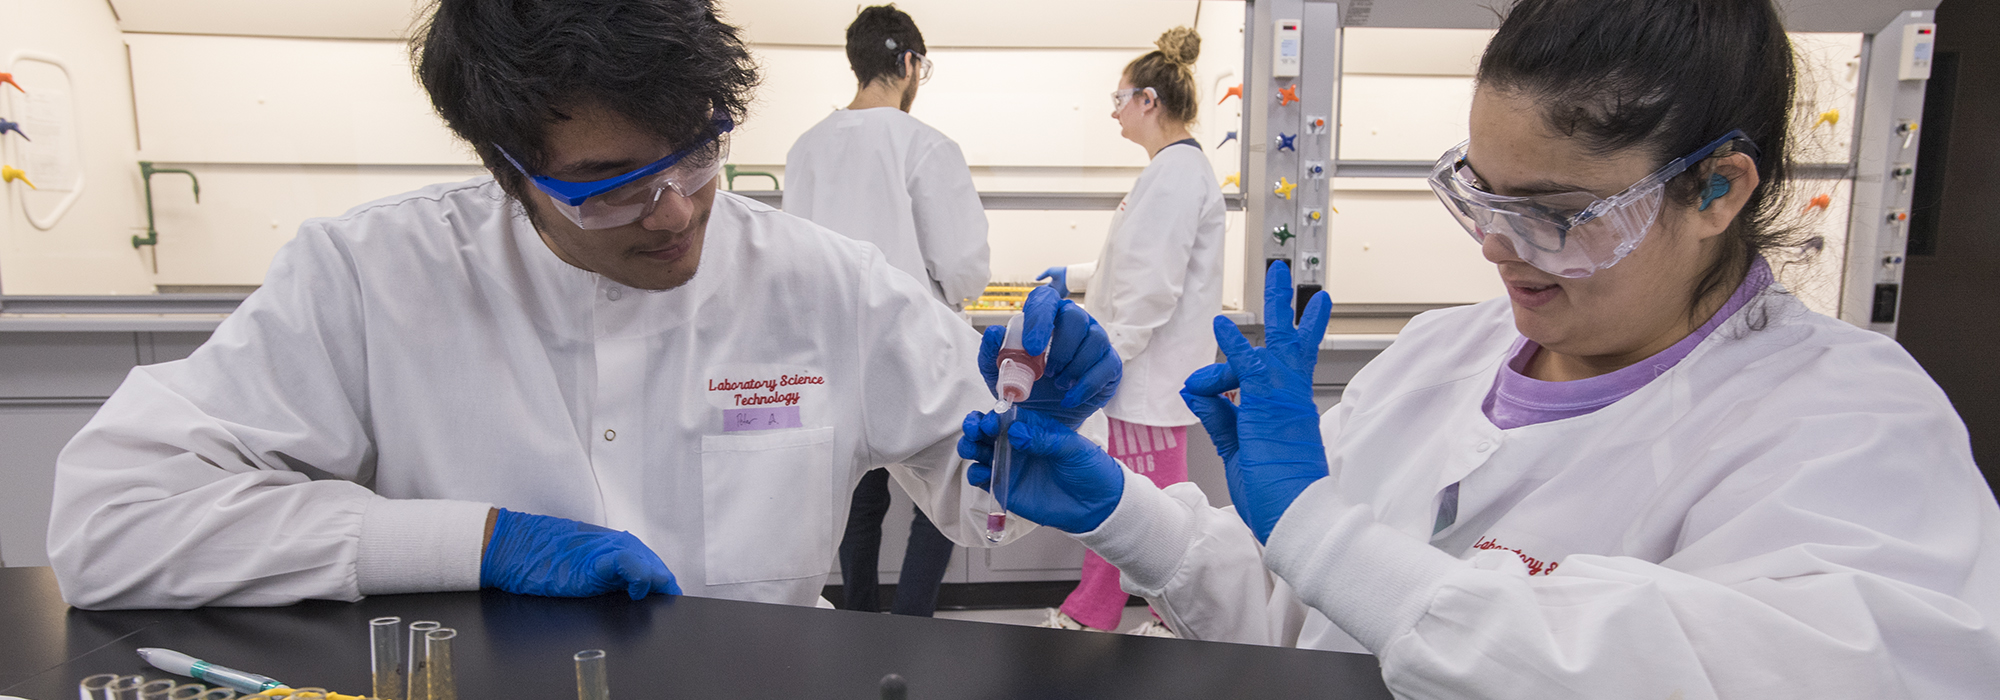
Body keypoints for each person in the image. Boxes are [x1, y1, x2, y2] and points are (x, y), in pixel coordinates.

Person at [962, 0, 2000, 695]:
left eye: (1553, 209)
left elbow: (1717, 670)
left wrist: (1324, 533)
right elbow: (1308, 615)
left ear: (1715, 189)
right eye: (1480, 194)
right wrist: (1122, 511)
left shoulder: (1852, 425)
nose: (1499, 247)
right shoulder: (1439, 354)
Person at [45, 0, 1118, 611]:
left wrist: (1031, 442)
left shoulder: (823, 282)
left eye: (697, 156)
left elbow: (986, 502)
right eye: (608, 184)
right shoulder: (370, 278)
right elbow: (109, 526)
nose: (673, 211)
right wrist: (470, 541)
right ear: (507, 170)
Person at [783, 5, 989, 617]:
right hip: (914, 350)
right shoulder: (924, 143)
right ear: (909, 64)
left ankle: (861, 620)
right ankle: (913, 620)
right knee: (942, 493)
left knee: (857, 495)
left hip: (830, 351)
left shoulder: (805, 148)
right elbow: (963, 265)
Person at [1032, 26, 1225, 635]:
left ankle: (1120, 618)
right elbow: (1133, 267)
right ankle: (1112, 614)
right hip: (1148, 378)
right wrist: (1076, 274)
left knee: (1140, 510)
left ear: (1149, 100)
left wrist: (1105, 359)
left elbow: (1149, 288)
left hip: (1145, 378)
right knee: (1137, 504)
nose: (1114, 112)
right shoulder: (1172, 170)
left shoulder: (1174, 174)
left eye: (1118, 99)